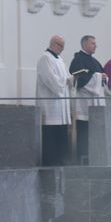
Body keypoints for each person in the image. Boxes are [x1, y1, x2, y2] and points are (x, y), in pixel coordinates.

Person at [36, 35, 73, 166]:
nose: (62, 49)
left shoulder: (60, 60)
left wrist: (72, 79)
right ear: (53, 44)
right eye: (60, 45)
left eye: (63, 46)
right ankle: (51, 163)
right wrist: (66, 81)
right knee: (51, 137)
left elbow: (67, 78)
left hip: (61, 107)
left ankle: (62, 161)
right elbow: (51, 81)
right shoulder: (45, 58)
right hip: (50, 106)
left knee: (61, 135)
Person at [69, 35, 105, 165]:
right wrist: (99, 77)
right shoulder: (78, 60)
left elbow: (101, 76)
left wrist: (102, 77)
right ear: (84, 45)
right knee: (84, 131)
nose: (96, 46)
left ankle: (95, 157)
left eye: (95, 43)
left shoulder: (94, 61)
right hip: (85, 103)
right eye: (93, 43)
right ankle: (82, 159)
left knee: (94, 132)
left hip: (95, 102)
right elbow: (79, 80)